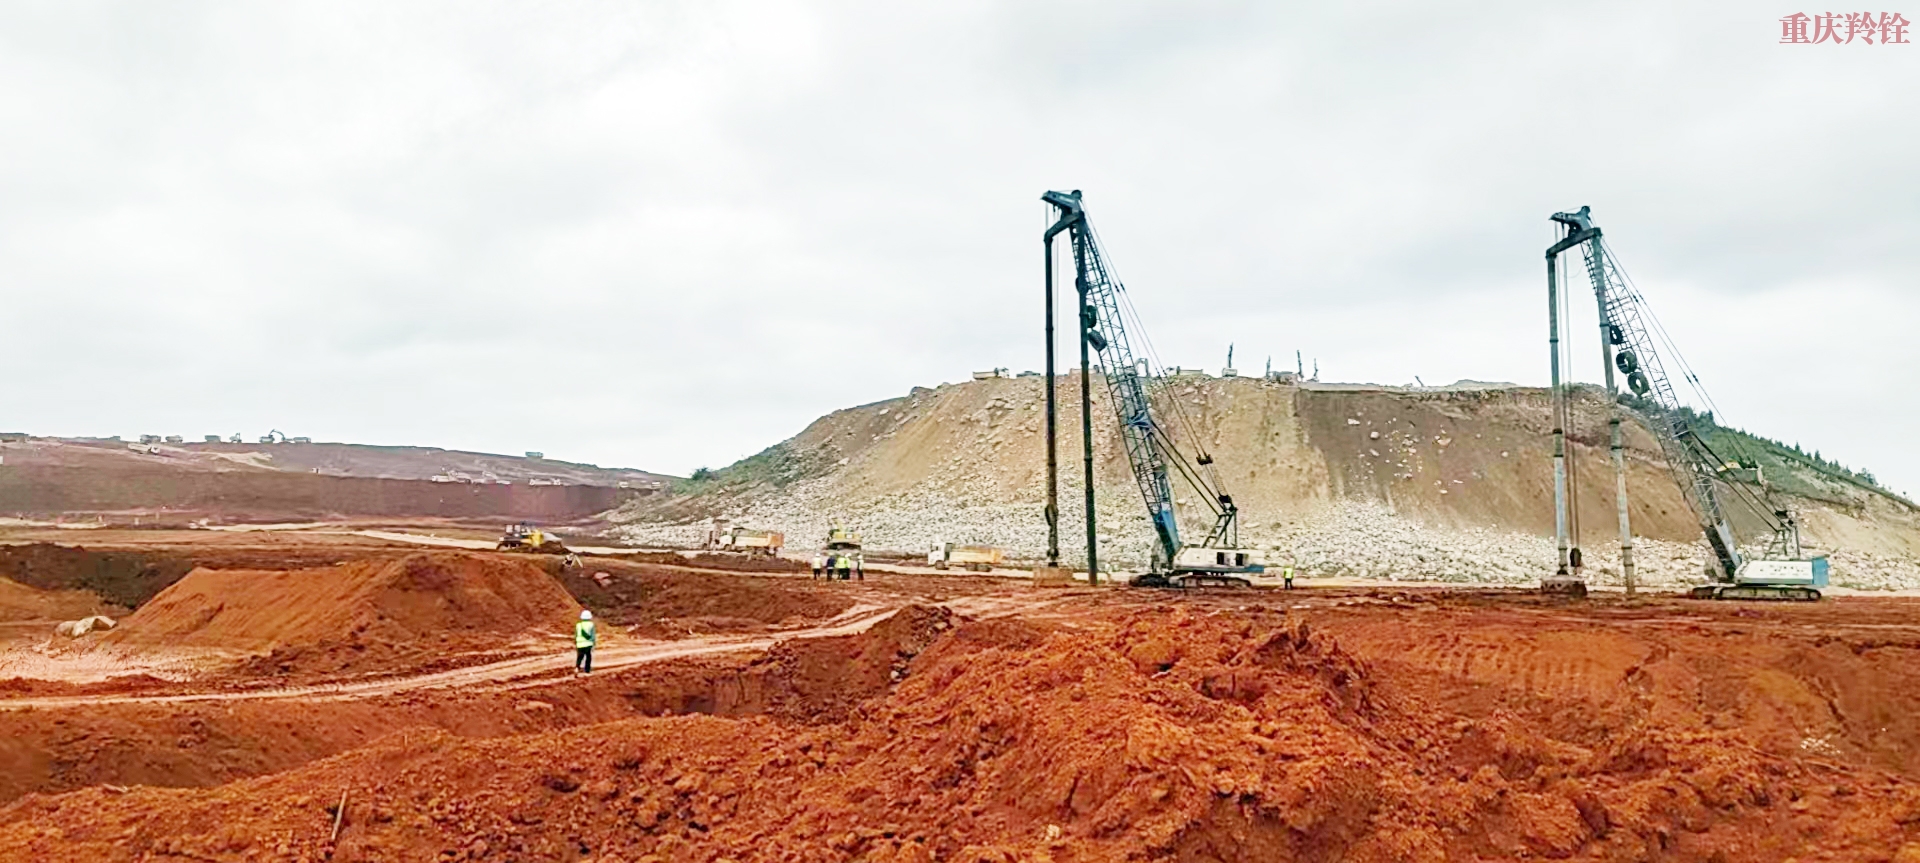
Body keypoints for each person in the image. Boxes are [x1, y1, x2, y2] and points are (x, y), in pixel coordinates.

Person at [574, 609, 597, 674]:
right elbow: (593, 635)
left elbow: (576, 635)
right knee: (588, 656)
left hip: (579, 644)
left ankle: (577, 668)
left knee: (579, 657)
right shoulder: (591, 624)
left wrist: (576, 642)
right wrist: (594, 643)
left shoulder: (578, 625)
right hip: (588, 644)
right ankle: (587, 670)